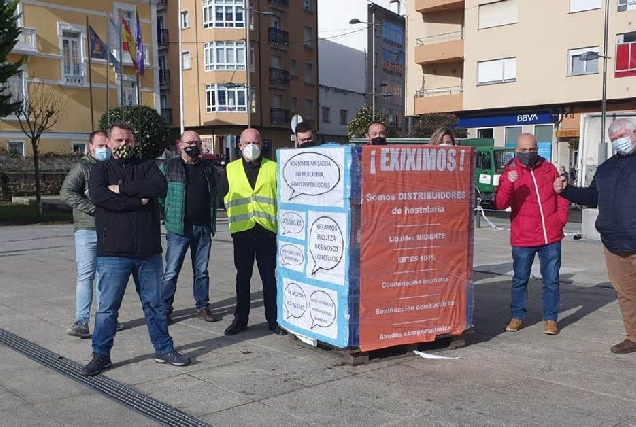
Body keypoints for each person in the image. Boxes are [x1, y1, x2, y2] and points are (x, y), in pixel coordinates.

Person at [81, 122, 189, 376]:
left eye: (128, 141)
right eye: (118, 141)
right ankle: (101, 354)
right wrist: (136, 200)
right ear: (108, 142)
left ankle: (164, 349)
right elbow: (99, 197)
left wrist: (122, 190)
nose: (123, 145)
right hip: (113, 251)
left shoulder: (148, 166)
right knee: (108, 308)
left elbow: (159, 188)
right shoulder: (99, 169)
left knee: (155, 304)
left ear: (134, 142)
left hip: (147, 251)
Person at [554, 117, 636, 354]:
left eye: (623, 136)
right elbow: (592, 197)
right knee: (626, 294)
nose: (619, 141)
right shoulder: (606, 168)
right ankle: (632, 336)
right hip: (613, 243)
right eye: (614, 139)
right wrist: (566, 190)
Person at [495, 133, 569, 335]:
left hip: (549, 236)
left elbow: (561, 194)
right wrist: (509, 183)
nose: (529, 154)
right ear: (517, 151)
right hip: (523, 237)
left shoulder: (548, 169)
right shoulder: (510, 172)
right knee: (520, 279)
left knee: (551, 280)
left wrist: (560, 219)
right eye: (524, 150)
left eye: (533, 150)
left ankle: (551, 319)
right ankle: (517, 316)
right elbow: (501, 203)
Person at [220, 128, 286, 336]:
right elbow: (223, 196)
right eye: (247, 143)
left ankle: (274, 320)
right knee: (243, 278)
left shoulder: (274, 168)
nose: (251, 147)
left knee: (269, 277)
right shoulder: (230, 169)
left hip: (267, 230)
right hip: (242, 232)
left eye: (255, 142)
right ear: (240, 146)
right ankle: (240, 320)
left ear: (262, 144)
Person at [60, 131, 126, 337]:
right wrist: (93, 209)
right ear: (90, 147)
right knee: (86, 275)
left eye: (106, 145)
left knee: (107, 277)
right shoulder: (82, 167)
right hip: (87, 229)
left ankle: (106, 318)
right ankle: (81, 320)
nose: (104, 149)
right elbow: (67, 192)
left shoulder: (113, 167)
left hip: (110, 229)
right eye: (100, 146)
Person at [159, 130, 221, 324]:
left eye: (196, 142)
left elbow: (214, 195)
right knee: (171, 272)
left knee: (201, 271)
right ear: (180, 145)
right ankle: (165, 309)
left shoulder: (208, 168)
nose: (192, 145)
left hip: (202, 227)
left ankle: (202, 307)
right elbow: (160, 197)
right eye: (189, 142)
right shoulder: (168, 167)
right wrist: (167, 217)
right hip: (179, 229)